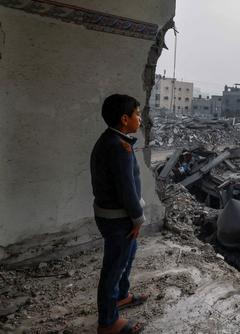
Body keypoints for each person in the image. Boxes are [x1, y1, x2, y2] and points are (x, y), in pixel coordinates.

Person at [91, 94, 148, 334]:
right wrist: (138, 219)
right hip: (119, 218)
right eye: (137, 114)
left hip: (112, 215)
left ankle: (121, 296)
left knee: (126, 257)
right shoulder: (119, 147)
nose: (140, 118)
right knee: (114, 268)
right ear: (125, 119)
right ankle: (108, 322)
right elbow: (127, 190)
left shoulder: (111, 140)